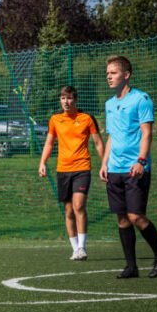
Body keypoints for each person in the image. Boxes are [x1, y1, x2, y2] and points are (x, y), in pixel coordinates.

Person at [99, 55, 157, 279]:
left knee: (136, 216)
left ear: (126, 75)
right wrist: (104, 163)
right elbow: (111, 136)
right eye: (108, 73)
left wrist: (141, 161)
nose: (109, 76)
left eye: (113, 73)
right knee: (121, 218)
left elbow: (147, 133)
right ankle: (131, 266)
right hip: (114, 169)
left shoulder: (141, 99)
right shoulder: (109, 104)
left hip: (134, 169)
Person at [37, 86, 105, 261]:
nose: (65, 102)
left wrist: (106, 164)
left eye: (69, 98)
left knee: (79, 205)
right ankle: (75, 249)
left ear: (75, 99)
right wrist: (42, 162)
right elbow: (49, 143)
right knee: (68, 211)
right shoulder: (55, 119)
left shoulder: (87, 118)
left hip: (82, 168)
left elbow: (98, 143)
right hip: (63, 170)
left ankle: (82, 247)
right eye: (62, 98)